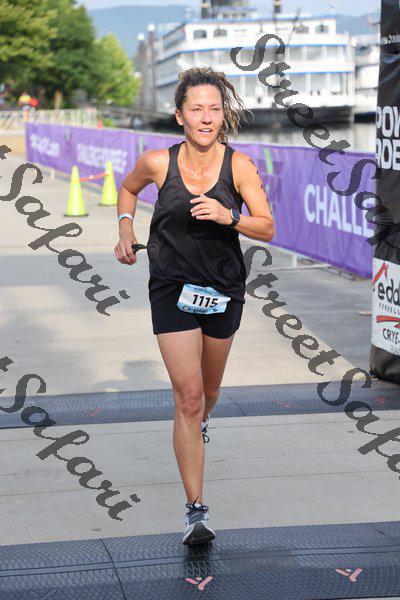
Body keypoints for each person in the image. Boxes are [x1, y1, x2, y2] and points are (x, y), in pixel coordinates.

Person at [114, 67, 274, 546]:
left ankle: (199, 422)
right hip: (171, 287)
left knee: (208, 392)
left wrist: (230, 216)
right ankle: (196, 510)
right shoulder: (156, 163)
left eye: (214, 109)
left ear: (223, 115)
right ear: (179, 115)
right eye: (196, 109)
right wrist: (125, 229)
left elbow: (267, 226)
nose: (206, 118)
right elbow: (127, 189)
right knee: (187, 396)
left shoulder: (239, 166)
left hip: (223, 288)